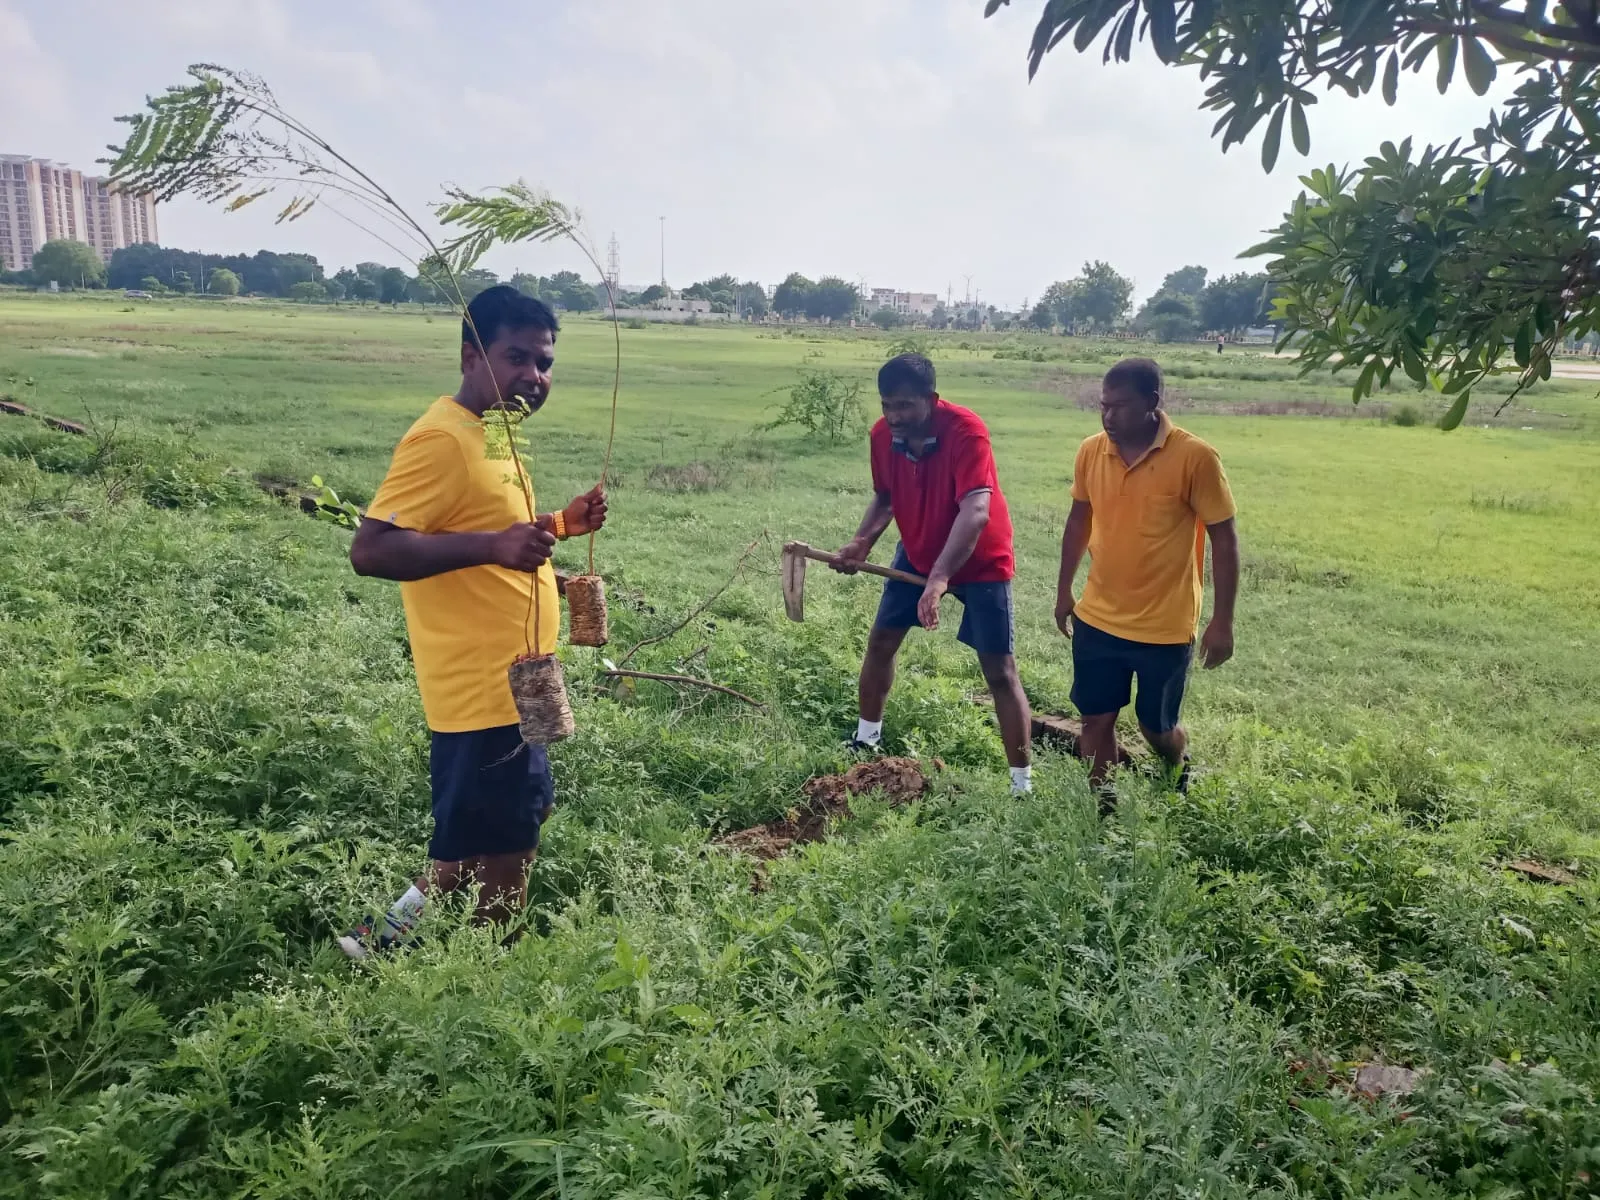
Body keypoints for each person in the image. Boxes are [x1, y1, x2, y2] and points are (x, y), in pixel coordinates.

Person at [337, 286, 607, 957]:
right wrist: (493, 546)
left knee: (492, 829)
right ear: (469, 356)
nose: (534, 377)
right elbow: (371, 550)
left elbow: (492, 528)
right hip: (485, 695)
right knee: (511, 849)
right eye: (517, 357)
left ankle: (376, 940)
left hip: (521, 682)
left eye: (544, 363)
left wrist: (557, 527)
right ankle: (488, 982)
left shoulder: (491, 432)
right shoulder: (442, 439)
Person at [833, 353, 1033, 793]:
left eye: (904, 405)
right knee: (882, 641)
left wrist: (941, 579)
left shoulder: (966, 431)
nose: (895, 416)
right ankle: (866, 741)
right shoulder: (883, 436)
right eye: (887, 404)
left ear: (931, 398)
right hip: (919, 550)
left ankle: (1022, 785)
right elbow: (886, 498)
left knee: (999, 670)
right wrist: (861, 541)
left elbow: (976, 511)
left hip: (981, 561)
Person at [1055, 357, 1238, 804]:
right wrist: (1064, 591)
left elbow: (1225, 539)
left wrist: (1223, 621)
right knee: (1096, 720)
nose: (1108, 416)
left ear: (1153, 403)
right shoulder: (1090, 451)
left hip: (1165, 626)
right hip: (1097, 616)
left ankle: (1175, 765)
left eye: (1120, 406)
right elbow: (1079, 520)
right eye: (1103, 405)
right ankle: (1105, 813)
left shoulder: (1194, 457)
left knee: (1156, 728)